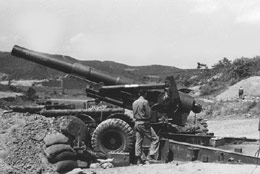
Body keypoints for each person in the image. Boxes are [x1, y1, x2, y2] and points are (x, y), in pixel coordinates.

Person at [132, 89, 160, 165]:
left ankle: (138, 160)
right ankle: (150, 157)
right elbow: (149, 113)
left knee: (138, 142)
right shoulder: (145, 102)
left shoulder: (134, 102)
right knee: (155, 139)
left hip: (137, 123)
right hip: (144, 123)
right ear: (145, 94)